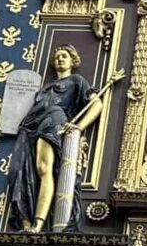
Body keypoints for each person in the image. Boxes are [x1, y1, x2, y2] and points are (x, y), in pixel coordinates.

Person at [7, 45, 100, 233]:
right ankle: (27, 220)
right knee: (22, 172)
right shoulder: (46, 88)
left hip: (53, 121)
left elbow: (97, 103)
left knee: (43, 169)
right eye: (57, 56)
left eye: (64, 56)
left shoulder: (76, 81)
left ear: (73, 61)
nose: (60, 59)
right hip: (30, 128)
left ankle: (38, 224)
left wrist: (79, 126)